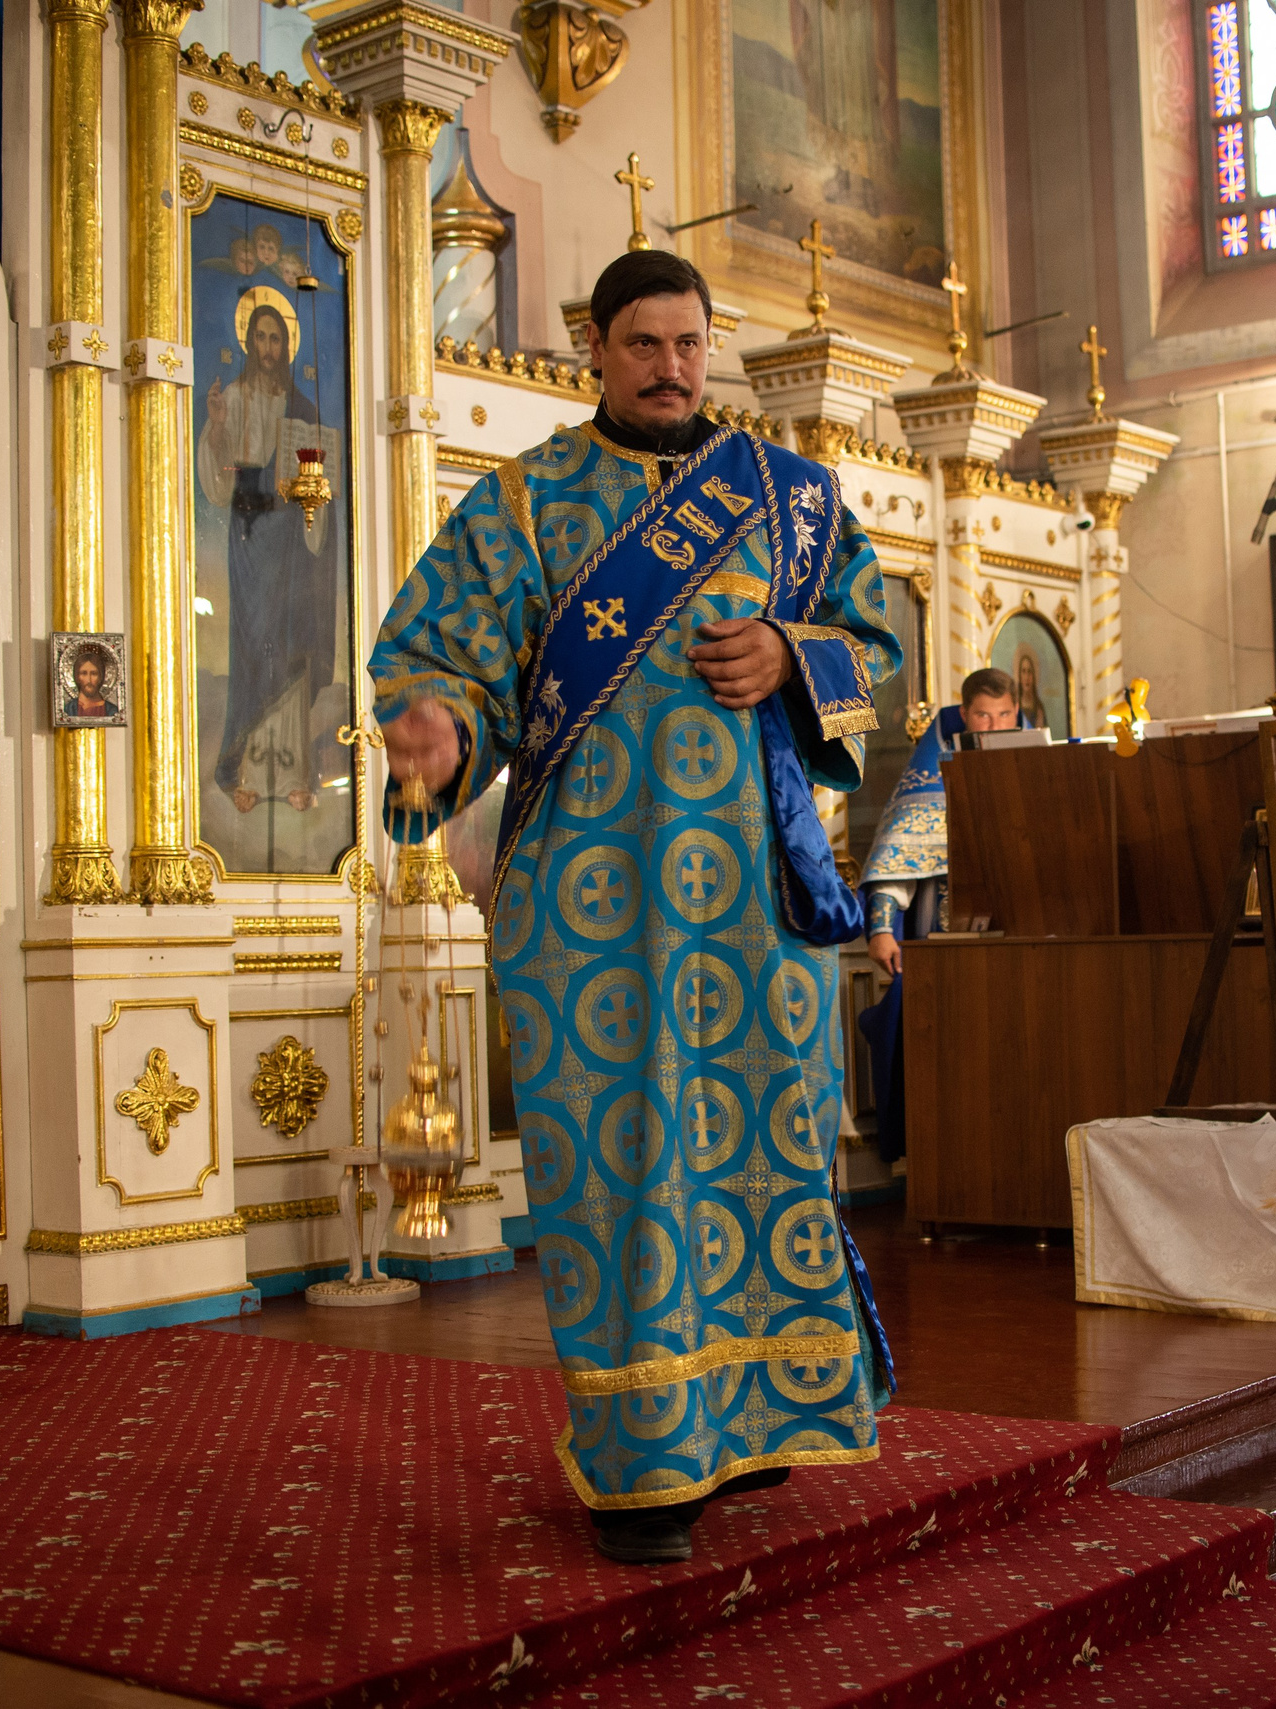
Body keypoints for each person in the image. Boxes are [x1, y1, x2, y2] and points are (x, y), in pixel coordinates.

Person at [369, 248, 902, 1565]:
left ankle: (764, 1414)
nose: (671, 366)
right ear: (596, 349)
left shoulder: (790, 498)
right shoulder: (523, 504)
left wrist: (791, 652)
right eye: (643, 344)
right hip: (586, 912)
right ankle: (649, 1457)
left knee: (762, 1146)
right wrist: (437, 729)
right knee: (617, 1168)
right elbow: (442, 658)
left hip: (753, 902)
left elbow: (876, 644)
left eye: (689, 343)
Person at [855, 670, 1024, 1165]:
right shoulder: (932, 772)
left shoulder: (1035, 764)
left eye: (1004, 715)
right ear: (964, 715)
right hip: (947, 938)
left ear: (1017, 713)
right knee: (946, 1048)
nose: (993, 726)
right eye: (982, 716)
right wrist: (881, 929)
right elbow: (896, 861)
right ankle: (943, 1161)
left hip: (1021, 939)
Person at [199, 298, 337, 815]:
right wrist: (217, 426)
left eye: (276, 338)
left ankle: (296, 774)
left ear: (286, 346)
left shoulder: (303, 410)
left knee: (291, 641)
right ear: (248, 342)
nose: (268, 348)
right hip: (249, 533)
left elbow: (321, 489)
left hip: (290, 536)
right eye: (259, 337)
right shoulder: (232, 398)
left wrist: (312, 495)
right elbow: (218, 481)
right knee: (254, 643)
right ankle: (241, 769)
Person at [62, 645, 119, 721]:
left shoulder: (112, 712)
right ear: (76, 676)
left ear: (101, 677)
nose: (89, 680)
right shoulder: (68, 710)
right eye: (83, 673)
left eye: (94, 673)